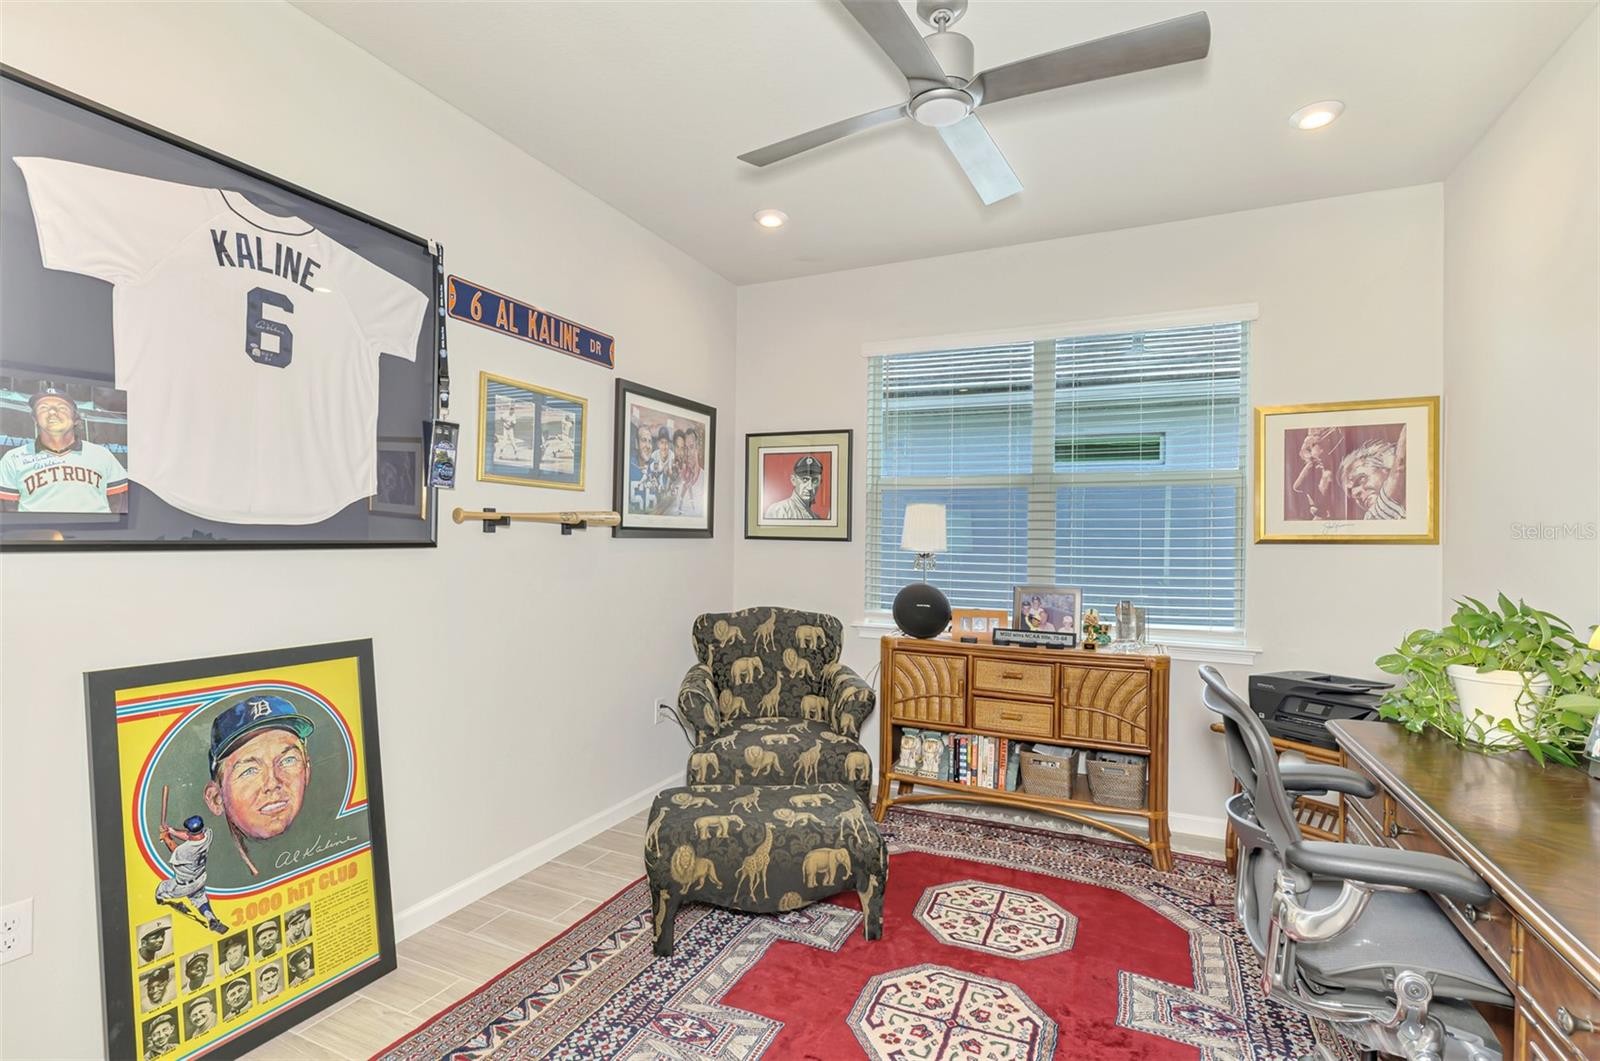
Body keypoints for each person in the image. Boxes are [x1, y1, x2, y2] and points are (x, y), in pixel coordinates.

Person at [202, 696, 315, 875]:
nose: (272, 783)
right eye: (249, 771)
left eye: (288, 760)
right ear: (216, 798)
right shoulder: (216, 871)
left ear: (307, 770)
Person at [0, 385, 129, 513]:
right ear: (35, 419)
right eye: (43, 407)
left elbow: (119, 502)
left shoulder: (102, 455)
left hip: (92, 526)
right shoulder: (13, 458)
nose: (52, 412)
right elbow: (7, 508)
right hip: (38, 527)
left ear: (75, 419)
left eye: (62, 408)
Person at [156, 814, 228, 934]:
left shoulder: (184, 850)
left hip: (183, 886)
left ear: (191, 833)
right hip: (199, 880)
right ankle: (211, 919)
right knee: (200, 899)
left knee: (161, 888)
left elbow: (173, 847)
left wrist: (166, 837)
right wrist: (171, 831)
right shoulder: (208, 834)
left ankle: (161, 901)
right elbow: (189, 836)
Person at [1339, 430, 1406, 520]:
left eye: (1361, 479)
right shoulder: (1372, 517)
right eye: (1351, 493)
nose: (1355, 493)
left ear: (1387, 466)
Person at [1290, 426, 1344, 520]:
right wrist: (1309, 466)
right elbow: (1296, 486)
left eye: (1327, 443)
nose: (1324, 449)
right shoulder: (1312, 467)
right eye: (1321, 445)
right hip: (1320, 513)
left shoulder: (1329, 464)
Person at [762, 455, 823, 520]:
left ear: (820, 482)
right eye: (804, 479)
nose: (810, 487)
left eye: (815, 481)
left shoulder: (816, 518)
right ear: (793, 480)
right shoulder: (780, 510)